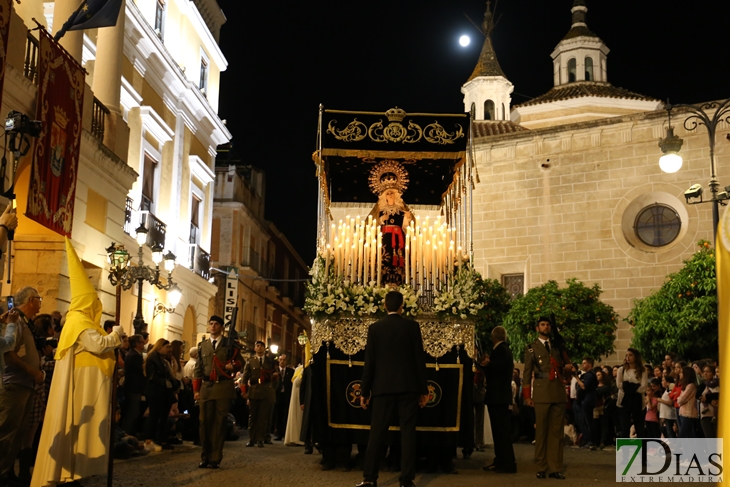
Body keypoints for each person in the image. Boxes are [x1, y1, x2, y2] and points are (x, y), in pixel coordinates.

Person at [31, 239, 126, 487]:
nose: (96, 306)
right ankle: (66, 472)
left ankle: (71, 471)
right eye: (94, 302)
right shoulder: (79, 321)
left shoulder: (81, 323)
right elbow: (98, 345)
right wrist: (117, 335)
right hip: (78, 385)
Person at [356, 291, 428, 487]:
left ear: (385, 306)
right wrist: (424, 390)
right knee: (408, 434)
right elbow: (419, 360)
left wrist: (364, 391)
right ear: (402, 306)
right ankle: (406, 479)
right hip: (409, 387)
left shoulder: (375, 328)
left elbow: (369, 363)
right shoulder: (412, 327)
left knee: (377, 434)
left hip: (382, 389)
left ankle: (370, 478)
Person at [0, 287, 44, 486]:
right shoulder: (15, 320)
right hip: (15, 384)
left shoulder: (24, 321)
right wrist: (31, 371)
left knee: (18, 432)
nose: (41, 303)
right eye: (40, 299)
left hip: (25, 385)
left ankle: (8, 471)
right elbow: (8, 352)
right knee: (7, 431)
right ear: (32, 300)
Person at [523, 315, 570, 480]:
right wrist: (528, 396)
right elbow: (527, 374)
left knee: (557, 433)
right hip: (542, 392)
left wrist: (569, 369)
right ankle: (541, 467)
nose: (545, 327)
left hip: (557, 390)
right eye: (542, 325)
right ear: (537, 328)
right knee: (541, 432)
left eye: (548, 325)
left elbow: (563, 369)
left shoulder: (557, 347)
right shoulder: (531, 348)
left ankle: (555, 467)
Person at [193, 316, 242, 468]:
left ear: (221, 327)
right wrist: (196, 390)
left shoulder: (230, 345)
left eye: (216, 324)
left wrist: (232, 367)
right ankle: (205, 456)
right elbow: (198, 369)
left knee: (219, 423)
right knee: (204, 422)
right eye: (211, 324)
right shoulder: (203, 346)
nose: (213, 326)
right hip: (207, 388)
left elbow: (240, 362)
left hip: (223, 387)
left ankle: (215, 457)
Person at [367, 161, 414, 286]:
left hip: (399, 240)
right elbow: (370, 225)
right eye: (388, 193)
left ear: (397, 195)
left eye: (392, 193)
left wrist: (407, 219)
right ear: (384, 197)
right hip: (384, 240)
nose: (390, 195)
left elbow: (406, 228)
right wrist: (381, 220)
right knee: (384, 260)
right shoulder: (380, 211)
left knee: (399, 260)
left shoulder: (402, 211)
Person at [481, 326, 517, 474]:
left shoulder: (501, 351)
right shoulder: (505, 350)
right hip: (500, 396)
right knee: (500, 432)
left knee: (501, 432)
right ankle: (501, 460)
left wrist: (488, 364)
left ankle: (506, 462)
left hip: (498, 397)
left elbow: (498, 369)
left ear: (493, 337)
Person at [242, 340, 279, 448]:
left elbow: (275, 376)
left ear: (264, 348)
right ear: (255, 348)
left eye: (261, 346)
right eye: (257, 346)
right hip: (254, 390)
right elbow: (245, 377)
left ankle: (260, 439)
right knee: (253, 416)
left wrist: (273, 387)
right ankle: (251, 438)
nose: (259, 348)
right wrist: (244, 391)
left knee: (263, 416)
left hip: (266, 390)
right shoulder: (250, 361)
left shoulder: (270, 361)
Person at [144, 339, 176, 451]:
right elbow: (153, 376)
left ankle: (160, 439)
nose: (169, 349)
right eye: (167, 347)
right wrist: (165, 382)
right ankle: (150, 439)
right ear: (160, 347)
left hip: (162, 391)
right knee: (154, 415)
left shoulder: (163, 359)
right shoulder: (154, 358)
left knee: (162, 416)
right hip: (156, 391)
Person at [617, 348, 647, 439]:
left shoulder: (642, 370)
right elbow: (619, 384)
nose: (628, 357)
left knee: (639, 427)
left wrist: (629, 387)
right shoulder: (621, 370)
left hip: (637, 401)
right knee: (624, 428)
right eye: (627, 355)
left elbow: (643, 387)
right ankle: (625, 451)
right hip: (624, 400)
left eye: (630, 355)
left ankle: (641, 450)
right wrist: (632, 386)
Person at [123, 335, 146, 435]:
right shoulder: (135, 355)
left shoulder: (133, 354)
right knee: (133, 413)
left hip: (132, 387)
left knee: (133, 412)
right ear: (137, 344)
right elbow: (141, 371)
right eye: (142, 342)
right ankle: (128, 434)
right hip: (134, 387)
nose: (144, 343)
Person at [574, 357, 598, 448]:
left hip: (588, 399)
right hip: (586, 399)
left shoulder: (590, 375)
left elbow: (584, 386)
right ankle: (589, 439)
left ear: (590, 364)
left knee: (588, 421)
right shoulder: (588, 374)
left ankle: (591, 440)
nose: (582, 365)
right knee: (587, 420)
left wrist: (576, 377)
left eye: (584, 363)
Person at [274, 354, 295, 441]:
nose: (282, 361)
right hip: (277, 395)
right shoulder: (275, 370)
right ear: (279, 361)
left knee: (285, 414)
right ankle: (278, 433)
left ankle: (285, 433)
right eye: (281, 360)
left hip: (286, 395)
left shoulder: (291, 371)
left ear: (286, 361)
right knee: (277, 414)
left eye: (284, 360)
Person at [677, 366, 699, 438]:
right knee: (688, 436)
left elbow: (681, 399)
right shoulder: (685, 386)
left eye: (681, 373)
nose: (679, 374)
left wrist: (679, 399)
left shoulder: (691, 386)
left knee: (683, 435)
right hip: (682, 413)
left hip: (688, 414)